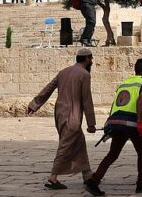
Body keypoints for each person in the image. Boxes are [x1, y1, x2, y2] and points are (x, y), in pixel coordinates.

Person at [84, 58, 142, 196]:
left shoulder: (125, 83)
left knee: (112, 154)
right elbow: (141, 99)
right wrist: (139, 122)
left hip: (117, 122)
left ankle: (93, 181)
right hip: (131, 123)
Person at [27, 48, 96, 189]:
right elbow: (87, 100)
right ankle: (53, 177)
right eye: (91, 59)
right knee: (66, 144)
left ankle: (87, 174)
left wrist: (34, 104)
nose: (92, 62)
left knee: (79, 142)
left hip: (59, 113)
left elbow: (48, 88)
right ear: (87, 59)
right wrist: (91, 123)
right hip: (72, 114)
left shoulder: (63, 72)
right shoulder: (84, 74)